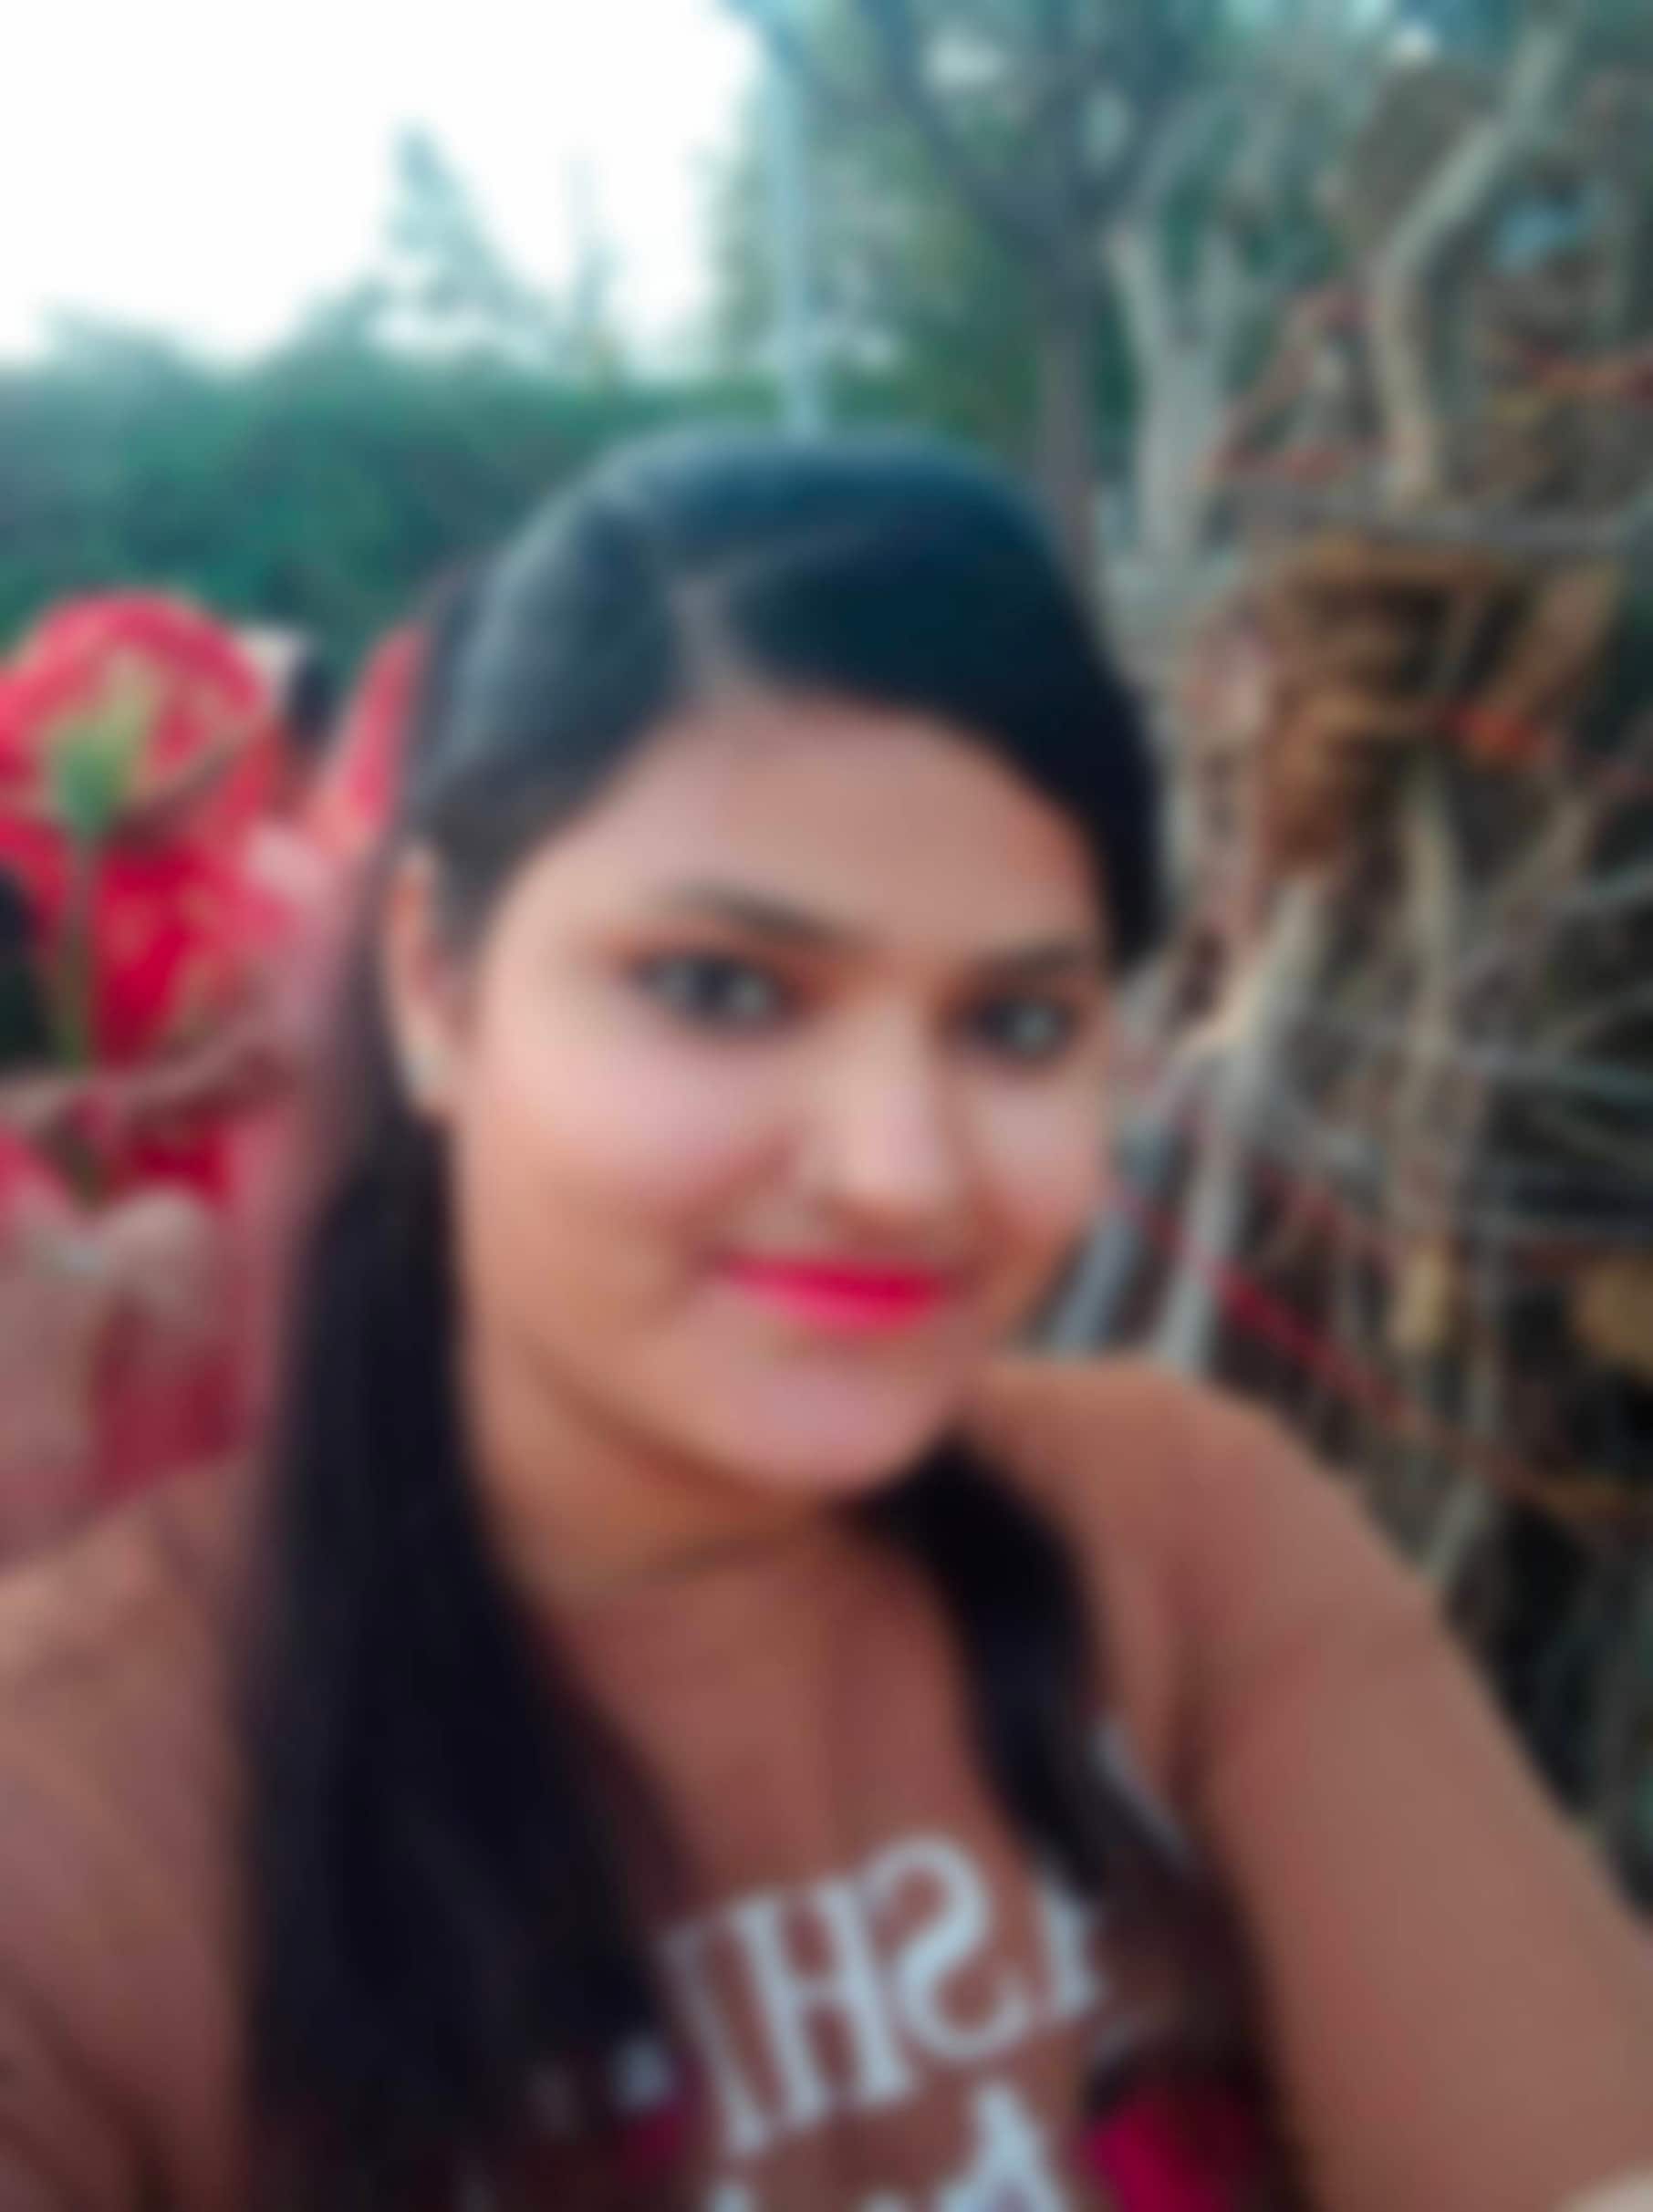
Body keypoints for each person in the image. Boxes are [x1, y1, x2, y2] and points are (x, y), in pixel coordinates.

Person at [0, 436, 1649, 2212]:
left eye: (1018, 1024)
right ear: (432, 983)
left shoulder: (1182, 1538)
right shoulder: (80, 1812)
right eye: (721, 989)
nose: (898, 1173)